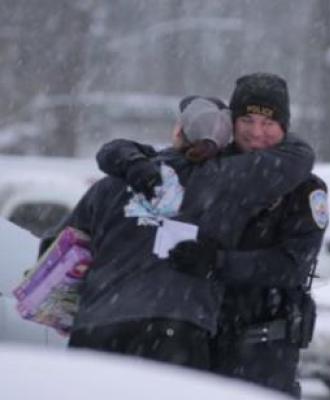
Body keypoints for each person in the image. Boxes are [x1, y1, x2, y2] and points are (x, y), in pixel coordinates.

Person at [41, 93, 315, 373]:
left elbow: (53, 248)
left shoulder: (114, 183)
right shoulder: (230, 184)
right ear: (224, 143)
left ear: (177, 130)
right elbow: (300, 157)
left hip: (95, 330)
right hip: (176, 332)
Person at [168, 73, 328, 399]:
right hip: (196, 341)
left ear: (285, 127)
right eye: (247, 120)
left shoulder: (305, 188)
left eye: (269, 123)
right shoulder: (206, 168)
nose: (257, 133)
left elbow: (292, 265)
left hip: (263, 349)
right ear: (231, 122)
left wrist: (219, 263)